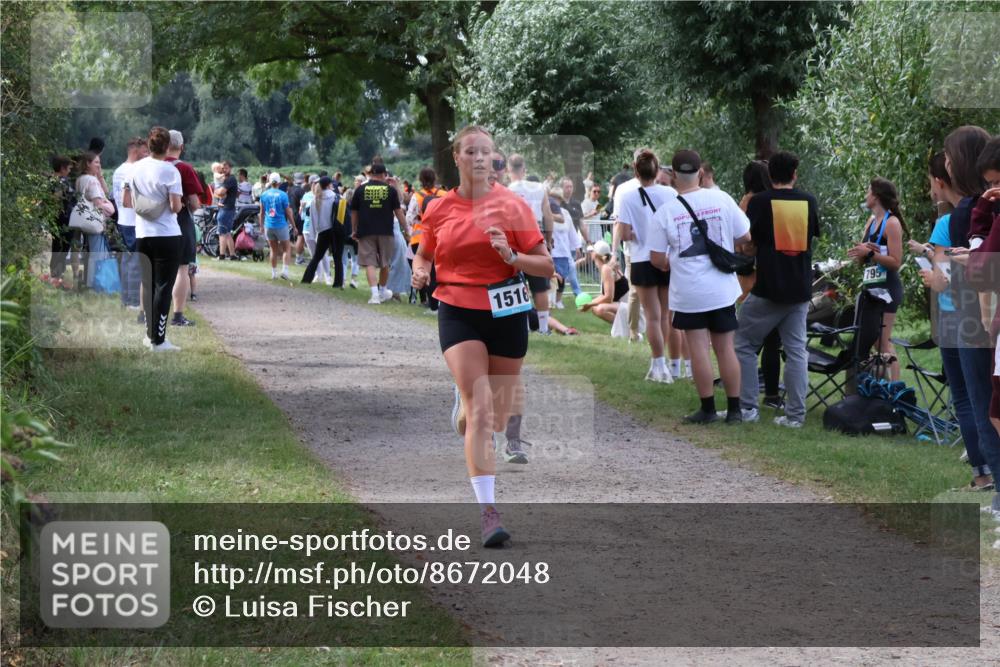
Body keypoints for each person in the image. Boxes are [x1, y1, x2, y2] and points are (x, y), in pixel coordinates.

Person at [411, 125, 553, 547]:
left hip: (506, 309)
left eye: (485, 152)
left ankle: (466, 403)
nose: (478, 158)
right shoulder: (438, 209)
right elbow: (424, 253)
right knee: (481, 407)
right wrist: (420, 270)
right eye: (469, 151)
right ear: (455, 158)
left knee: (497, 413)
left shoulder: (512, 206)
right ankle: (488, 513)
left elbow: (546, 267)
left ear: (494, 159)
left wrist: (512, 256)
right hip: (458, 310)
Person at [649, 149, 751, 424]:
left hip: (689, 291)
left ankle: (707, 409)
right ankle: (734, 410)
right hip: (721, 287)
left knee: (698, 348)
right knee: (725, 348)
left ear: (672, 177)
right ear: (701, 174)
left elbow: (657, 258)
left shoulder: (666, 212)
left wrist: (672, 262)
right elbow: (745, 234)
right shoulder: (721, 198)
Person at [914, 151, 993, 491]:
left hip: (956, 314)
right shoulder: (977, 210)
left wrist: (931, 265)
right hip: (978, 314)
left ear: (941, 179)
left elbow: (944, 278)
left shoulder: (952, 220)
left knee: (968, 396)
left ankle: (982, 470)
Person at [735, 151, 819, 428]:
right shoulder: (808, 201)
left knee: (743, 343)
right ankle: (795, 416)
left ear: (770, 175)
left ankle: (748, 408)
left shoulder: (760, 202)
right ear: (794, 174)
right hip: (800, 287)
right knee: (796, 351)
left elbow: (750, 243)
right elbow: (810, 236)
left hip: (769, 287)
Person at [616, 149, 680, 382]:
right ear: (657, 169)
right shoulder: (670, 193)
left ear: (635, 171)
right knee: (667, 315)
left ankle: (658, 364)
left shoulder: (628, 197)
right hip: (665, 258)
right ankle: (674, 366)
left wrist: (639, 232)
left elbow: (624, 233)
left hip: (642, 259)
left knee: (652, 316)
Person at [124, 126, 184, 351]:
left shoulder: (135, 168)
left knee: (148, 286)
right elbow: (175, 206)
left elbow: (127, 200)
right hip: (166, 234)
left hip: (142, 233)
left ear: (148, 146)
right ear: (167, 148)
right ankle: (159, 340)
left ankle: (149, 335)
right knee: (163, 287)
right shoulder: (170, 171)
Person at [847, 178, 906, 381]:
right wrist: (859, 254)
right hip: (871, 288)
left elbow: (896, 261)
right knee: (875, 341)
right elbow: (864, 260)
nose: (865, 195)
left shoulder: (892, 223)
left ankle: (895, 389)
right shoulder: (871, 222)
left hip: (888, 288)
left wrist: (870, 254)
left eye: (868, 191)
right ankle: (880, 387)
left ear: (877, 196)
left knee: (883, 341)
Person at [738, 160, 782, 409]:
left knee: (746, 338)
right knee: (772, 340)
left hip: (750, 273)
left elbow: (744, 242)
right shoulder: (775, 199)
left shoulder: (749, 202)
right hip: (774, 271)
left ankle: (744, 389)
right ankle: (772, 394)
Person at [507, 154, 556, 333]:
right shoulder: (539, 188)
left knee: (518, 283)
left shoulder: (507, 189)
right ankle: (543, 328)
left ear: (508, 169)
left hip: (514, 236)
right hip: (535, 234)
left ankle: (524, 326)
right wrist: (549, 240)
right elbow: (548, 215)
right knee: (540, 285)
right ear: (524, 168)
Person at [351, 162, 406, 304]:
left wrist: (353, 229)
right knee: (385, 263)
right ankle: (382, 291)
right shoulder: (391, 190)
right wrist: (405, 229)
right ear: (383, 175)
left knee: (369, 263)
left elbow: (354, 212)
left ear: (370, 174)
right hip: (385, 231)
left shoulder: (360, 190)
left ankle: (374, 295)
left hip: (366, 230)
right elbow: (398, 212)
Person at [164, 130, 204, 327]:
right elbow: (196, 204)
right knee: (182, 269)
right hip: (180, 222)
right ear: (182, 147)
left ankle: (147, 312)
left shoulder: (151, 167)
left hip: (154, 224)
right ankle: (178, 315)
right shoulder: (185, 169)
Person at [112, 137, 149, 310]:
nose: (147, 154)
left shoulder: (118, 170)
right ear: (135, 151)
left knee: (126, 261)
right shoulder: (136, 169)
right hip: (134, 221)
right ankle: (134, 300)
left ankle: (126, 298)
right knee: (136, 261)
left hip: (122, 220)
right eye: (145, 151)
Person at [75, 151, 115, 289]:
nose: (99, 165)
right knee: (98, 254)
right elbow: (99, 203)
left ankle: (90, 282)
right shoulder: (91, 181)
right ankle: (97, 284)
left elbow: (105, 192)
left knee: (92, 252)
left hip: (85, 220)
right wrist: (110, 207)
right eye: (96, 162)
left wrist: (100, 176)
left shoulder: (81, 179)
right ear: (88, 163)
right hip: (95, 221)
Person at [406, 167, 443, 307]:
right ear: (435, 178)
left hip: (419, 238)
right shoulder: (444, 193)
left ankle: (431, 303)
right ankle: (440, 302)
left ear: (421, 180)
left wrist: (419, 219)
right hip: (440, 237)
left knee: (425, 271)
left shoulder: (417, 196)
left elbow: (409, 218)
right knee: (438, 271)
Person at [302, 176, 347, 286]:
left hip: (323, 232)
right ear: (329, 185)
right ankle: (338, 283)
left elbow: (313, 220)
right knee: (337, 258)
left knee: (317, 257)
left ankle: (306, 279)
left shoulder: (315, 200)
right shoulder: (337, 197)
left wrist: (313, 234)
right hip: (336, 231)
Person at [580, 240, 628, 323]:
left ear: (596, 255)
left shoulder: (606, 269)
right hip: (626, 305)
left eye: (592, 251)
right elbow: (604, 295)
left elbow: (608, 298)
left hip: (630, 307)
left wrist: (589, 304)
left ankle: (626, 328)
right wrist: (590, 303)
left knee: (599, 309)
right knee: (595, 307)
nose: (591, 253)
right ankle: (625, 327)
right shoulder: (607, 266)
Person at [551, 187, 584, 309]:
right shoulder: (544, 212)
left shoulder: (565, 213)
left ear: (560, 200)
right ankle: (550, 300)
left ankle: (558, 300)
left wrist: (577, 247)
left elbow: (572, 232)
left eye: (557, 199)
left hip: (563, 251)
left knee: (562, 277)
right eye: (552, 198)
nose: (554, 201)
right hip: (550, 252)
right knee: (549, 277)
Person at [259, 172, 296, 279]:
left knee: (273, 250)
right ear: (279, 182)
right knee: (286, 248)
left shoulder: (264, 194)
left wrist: (261, 226)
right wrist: (294, 225)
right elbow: (288, 212)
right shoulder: (283, 195)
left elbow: (261, 212)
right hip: (281, 225)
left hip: (268, 225)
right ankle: (285, 271)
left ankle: (274, 274)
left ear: (270, 182)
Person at [48, 155, 76, 286]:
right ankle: (57, 275)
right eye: (69, 168)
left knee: (58, 246)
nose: (70, 170)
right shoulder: (60, 182)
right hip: (63, 219)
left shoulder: (53, 180)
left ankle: (57, 273)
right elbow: (55, 199)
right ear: (63, 168)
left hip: (58, 218)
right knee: (62, 246)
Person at [214, 160, 239, 261]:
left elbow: (220, 192)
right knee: (228, 233)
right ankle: (232, 255)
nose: (224, 170)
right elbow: (219, 193)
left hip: (226, 208)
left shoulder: (230, 179)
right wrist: (217, 192)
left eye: (226, 168)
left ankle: (222, 255)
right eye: (223, 168)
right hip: (228, 208)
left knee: (222, 232)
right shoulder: (227, 179)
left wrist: (216, 192)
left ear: (230, 168)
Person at [289, 172, 308, 265]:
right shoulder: (301, 191)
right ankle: (299, 259)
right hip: (299, 216)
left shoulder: (290, 190)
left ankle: (299, 257)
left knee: (297, 237)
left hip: (291, 215)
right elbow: (303, 204)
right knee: (301, 237)